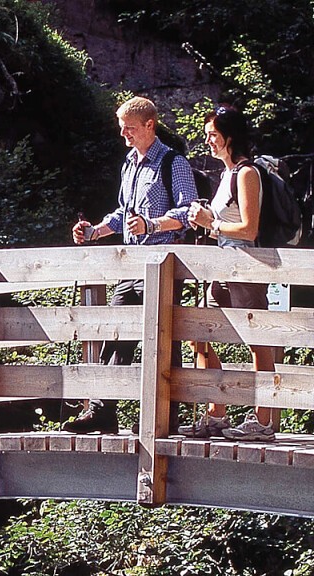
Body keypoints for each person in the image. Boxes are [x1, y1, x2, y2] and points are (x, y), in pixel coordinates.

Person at [65, 96, 198, 433]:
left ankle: (167, 418)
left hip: (163, 265)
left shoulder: (174, 163)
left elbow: (189, 212)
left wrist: (151, 224)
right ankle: (102, 411)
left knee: (165, 341)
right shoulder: (129, 164)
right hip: (130, 267)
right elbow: (123, 214)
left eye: (130, 127)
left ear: (149, 126)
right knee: (116, 334)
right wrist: (95, 232)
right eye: (122, 126)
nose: (123, 133)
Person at [179, 104, 276, 442]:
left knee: (256, 344)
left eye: (213, 136)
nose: (208, 141)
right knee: (198, 334)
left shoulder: (247, 173)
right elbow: (225, 227)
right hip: (222, 266)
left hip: (246, 266)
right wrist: (205, 222)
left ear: (229, 138)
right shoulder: (225, 175)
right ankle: (216, 413)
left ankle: (264, 421)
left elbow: (249, 229)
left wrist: (212, 222)